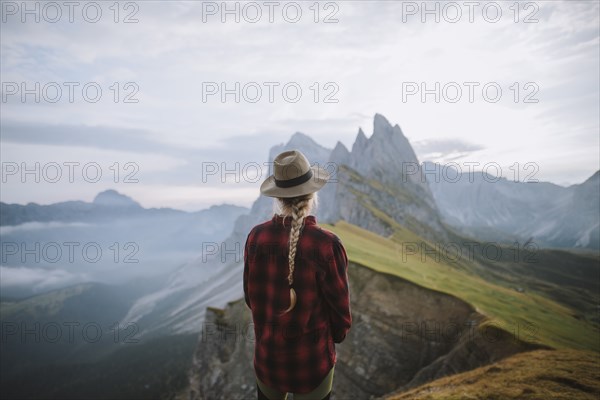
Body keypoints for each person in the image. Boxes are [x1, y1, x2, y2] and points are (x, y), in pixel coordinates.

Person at [243, 149, 352, 400]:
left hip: (268, 359)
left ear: (278, 197)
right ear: (312, 194)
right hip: (312, 364)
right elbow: (341, 315)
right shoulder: (327, 244)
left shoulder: (256, 237)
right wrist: (331, 339)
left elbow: (251, 298)